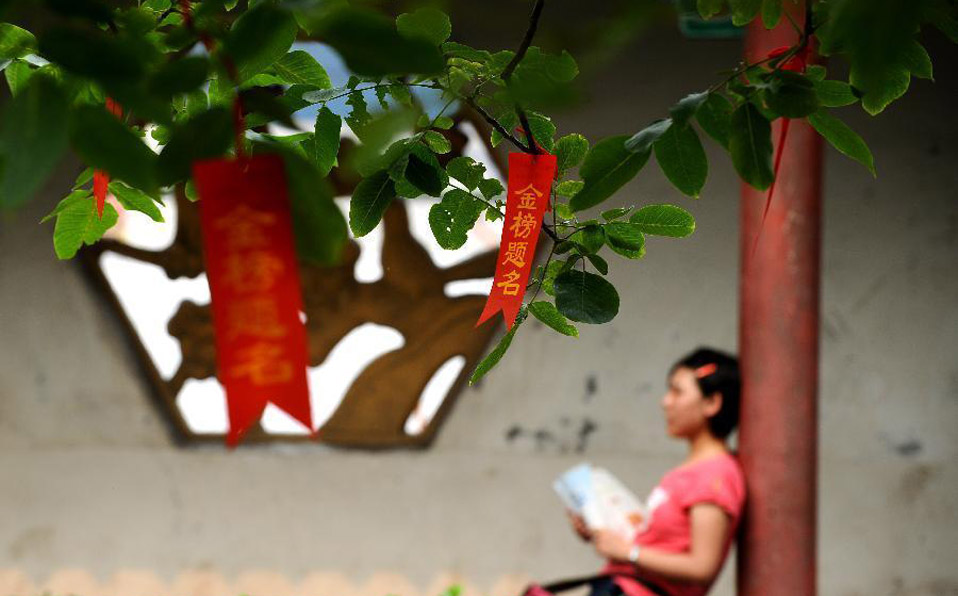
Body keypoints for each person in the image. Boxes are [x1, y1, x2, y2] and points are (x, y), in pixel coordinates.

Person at [567, 348, 745, 596]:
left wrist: (629, 552)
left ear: (712, 403)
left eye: (677, 391)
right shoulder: (695, 470)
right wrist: (599, 530)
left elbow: (703, 566)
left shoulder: (716, 474)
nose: (666, 401)